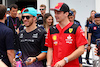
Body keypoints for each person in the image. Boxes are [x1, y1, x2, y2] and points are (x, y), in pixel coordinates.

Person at [45, 2, 87, 67]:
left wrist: (65, 60)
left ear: (66, 14)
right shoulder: (52, 29)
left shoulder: (76, 28)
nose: (55, 15)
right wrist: (48, 65)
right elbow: (50, 49)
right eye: (55, 13)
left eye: (58, 13)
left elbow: (81, 49)